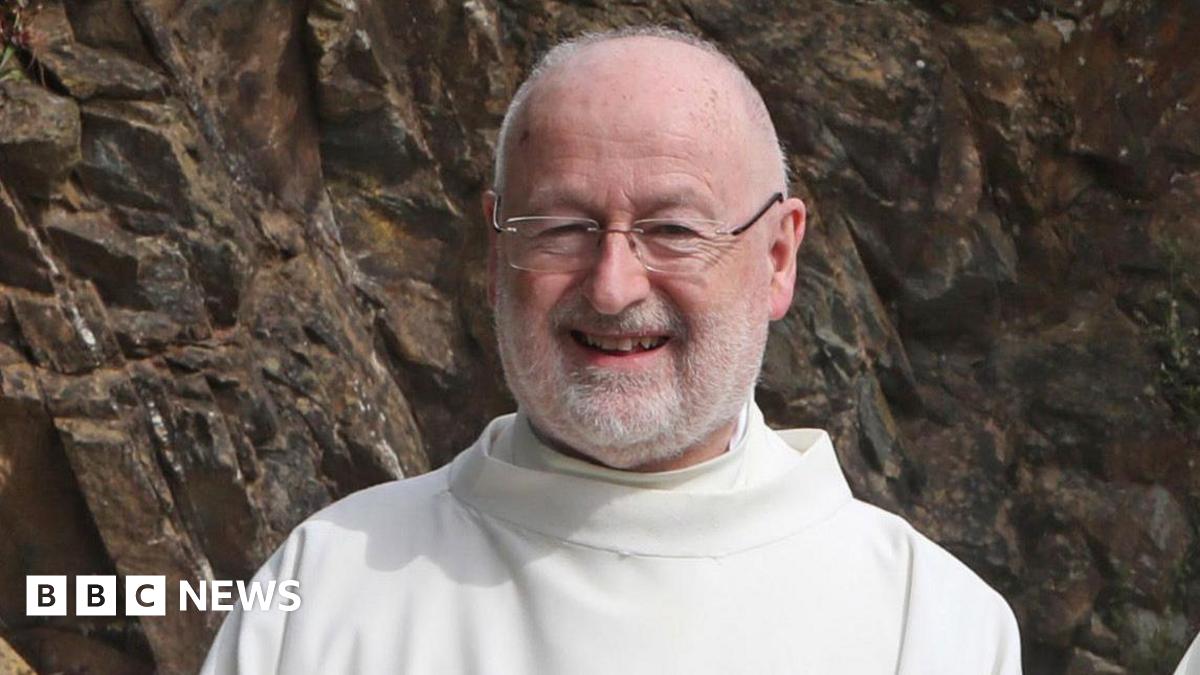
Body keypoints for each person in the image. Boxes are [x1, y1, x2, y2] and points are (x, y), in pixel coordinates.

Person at [200, 27, 1022, 674]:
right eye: (562, 227)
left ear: (778, 257)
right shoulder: (327, 586)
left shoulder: (929, 624)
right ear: (495, 254)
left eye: (672, 228)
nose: (613, 285)